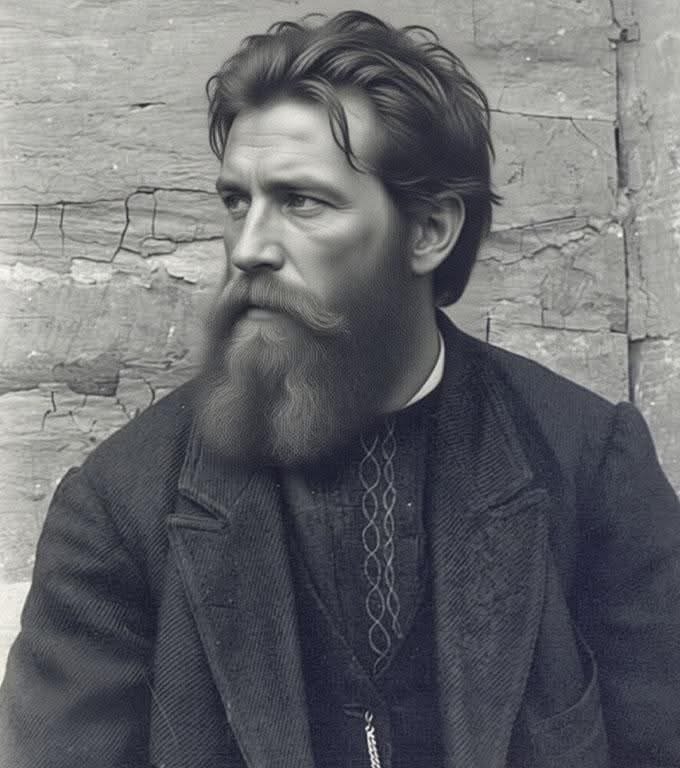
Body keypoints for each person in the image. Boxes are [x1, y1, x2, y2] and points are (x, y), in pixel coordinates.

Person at [1, 10, 679, 768]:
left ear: (429, 231)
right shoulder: (119, 508)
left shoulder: (591, 468)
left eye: (301, 201)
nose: (248, 248)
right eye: (237, 201)